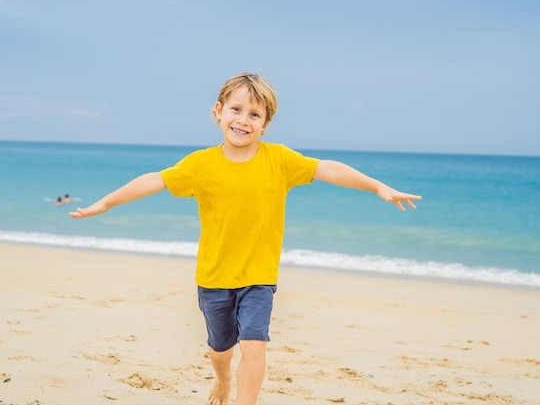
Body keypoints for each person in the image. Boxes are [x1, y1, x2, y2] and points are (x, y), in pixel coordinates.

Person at [70, 73, 422, 405]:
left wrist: (378, 186)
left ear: (265, 124)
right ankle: (222, 380)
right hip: (214, 276)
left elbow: (327, 168)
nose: (244, 120)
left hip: (259, 277)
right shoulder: (200, 165)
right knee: (220, 349)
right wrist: (106, 203)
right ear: (219, 111)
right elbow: (155, 180)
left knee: (254, 346)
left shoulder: (280, 159)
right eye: (236, 109)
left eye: (255, 114)